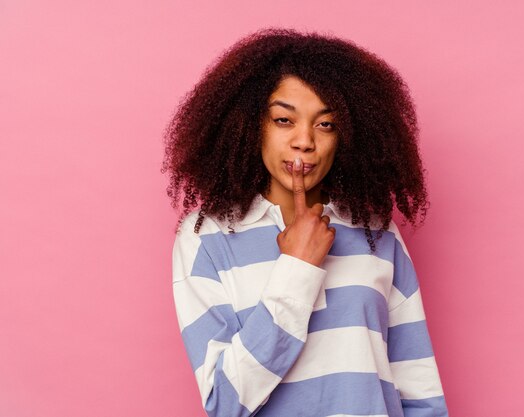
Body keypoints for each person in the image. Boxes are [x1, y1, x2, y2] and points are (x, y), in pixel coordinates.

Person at [162, 27, 449, 417]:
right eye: (284, 120)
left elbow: (420, 390)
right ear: (251, 125)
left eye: (325, 124)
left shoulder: (376, 232)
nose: (304, 141)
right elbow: (225, 403)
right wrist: (297, 269)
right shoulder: (208, 238)